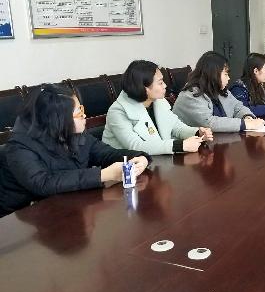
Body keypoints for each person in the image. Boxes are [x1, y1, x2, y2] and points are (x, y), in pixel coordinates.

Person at [0, 84, 151, 216]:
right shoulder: (20, 147)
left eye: (81, 108)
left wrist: (140, 157)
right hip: (20, 220)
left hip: (66, 206)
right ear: (59, 119)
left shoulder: (74, 133)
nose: (84, 115)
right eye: (78, 112)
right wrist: (103, 174)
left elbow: (106, 154)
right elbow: (44, 183)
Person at [103, 60, 213, 155]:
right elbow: (135, 146)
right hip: (126, 167)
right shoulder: (117, 111)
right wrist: (179, 145)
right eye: (160, 83)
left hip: (156, 161)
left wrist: (197, 132)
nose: (165, 85)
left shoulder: (158, 101)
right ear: (144, 87)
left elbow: (176, 127)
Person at [173, 51, 265, 132]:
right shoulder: (190, 95)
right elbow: (208, 123)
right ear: (214, 73)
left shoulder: (219, 90)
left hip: (218, 141)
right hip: (191, 144)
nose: (229, 78)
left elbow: (237, 106)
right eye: (226, 74)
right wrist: (245, 124)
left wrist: (247, 117)